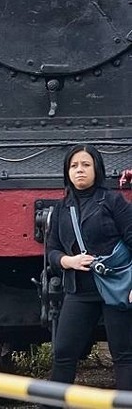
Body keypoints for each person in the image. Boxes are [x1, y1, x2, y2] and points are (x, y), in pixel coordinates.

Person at [46, 144, 132, 391]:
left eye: (85, 165)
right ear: (67, 172)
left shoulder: (113, 201)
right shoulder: (62, 208)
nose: (79, 170)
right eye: (74, 166)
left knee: (124, 355)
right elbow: (52, 250)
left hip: (117, 288)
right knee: (63, 352)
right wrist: (68, 261)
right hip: (80, 291)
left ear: (97, 169)